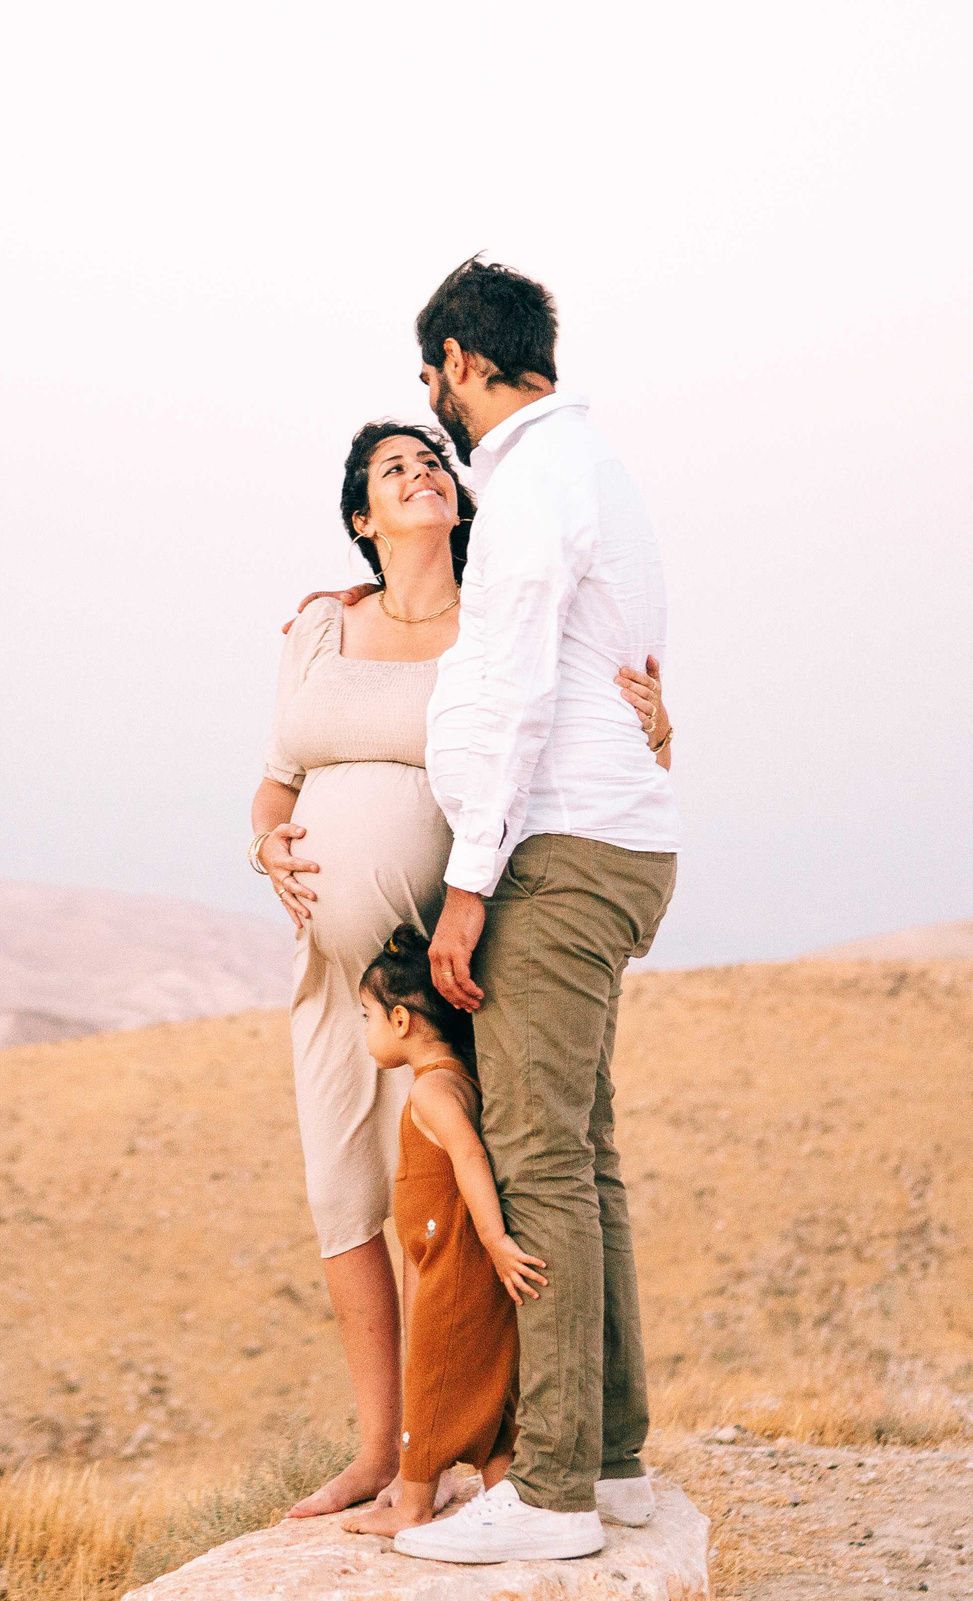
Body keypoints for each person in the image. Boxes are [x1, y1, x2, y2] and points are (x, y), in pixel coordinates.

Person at [251, 421, 674, 1520]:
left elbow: (586, 730)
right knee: (342, 1195)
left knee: (445, 1204)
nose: (422, 472)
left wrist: (656, 726)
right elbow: (278, 777)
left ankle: (465, 1450)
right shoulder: (321, 625)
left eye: (432, 460)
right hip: (331, 971)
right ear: (362, 516)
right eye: (394, 468)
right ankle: (378, 1450)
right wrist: (264, 841)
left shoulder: (496, 620)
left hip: (444, 964)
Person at [389, 257, 683, 1566]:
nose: (435, 406)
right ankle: (609, 1461)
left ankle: (554, 1491)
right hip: (609, 840)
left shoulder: (530, 482)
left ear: (460, 359)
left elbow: (514, 688)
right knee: (586, 1155)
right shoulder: (588, 467)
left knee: (543, 1163)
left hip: (557, 854)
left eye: (431, 380)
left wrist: (468, 886)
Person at [338, 927, 542, 1540]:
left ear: (401, 1020)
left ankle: (414, 1507)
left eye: (367, 1016)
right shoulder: (459, 1077)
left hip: (454, 1260)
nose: (365, 1029)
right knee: (488, 1391)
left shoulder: (432, 1089)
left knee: (430, 1380)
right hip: (450, 1255)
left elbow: (470, 1158)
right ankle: (504, 1492)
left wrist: (497, 1242)